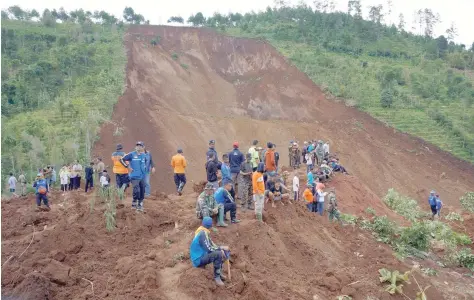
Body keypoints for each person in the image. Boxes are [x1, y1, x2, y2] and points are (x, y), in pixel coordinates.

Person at [190, 217, 230, 286]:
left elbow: (211, 244)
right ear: (210, 226)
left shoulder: (203, 231)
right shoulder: (202, 234)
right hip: (198, 260)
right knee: (218, 254)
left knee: (220, 252)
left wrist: (221, 248)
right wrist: (220, 249)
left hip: (201, 255)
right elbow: (209, 248)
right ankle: (217, 277)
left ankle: (219, 272)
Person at [120, 141, 147, 211]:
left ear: (142, 147)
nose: (138, 147)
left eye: (140, 146)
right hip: (134, 176)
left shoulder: (144, 155)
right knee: (136, 190)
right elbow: (121, 159)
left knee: (142, 190)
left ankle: (140, 204)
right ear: (135, 147)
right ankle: (134, 202)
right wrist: (127, 167)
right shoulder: (131, 154)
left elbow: (145, 163)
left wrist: (145, 170)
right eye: (137, 145)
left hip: (142, 176)